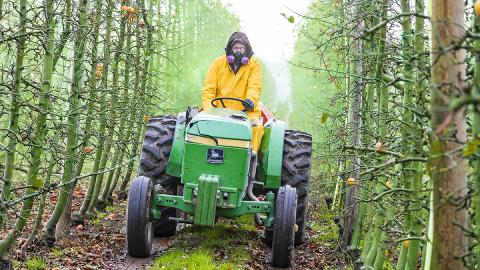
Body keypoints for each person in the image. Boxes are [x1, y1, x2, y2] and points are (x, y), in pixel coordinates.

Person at [201, 32, 264, 153]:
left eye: (241, 48)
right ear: (230, 49)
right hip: (217, 111)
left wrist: (251, 100)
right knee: (199, 126)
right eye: (235, 48)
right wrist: (209, 110)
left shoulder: (254, 65)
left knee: (256, 128)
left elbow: (255, 86)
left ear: (247, 49)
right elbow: (208, 90)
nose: (238, 51)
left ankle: (251, 159)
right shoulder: (218, 63)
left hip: (246, 112)